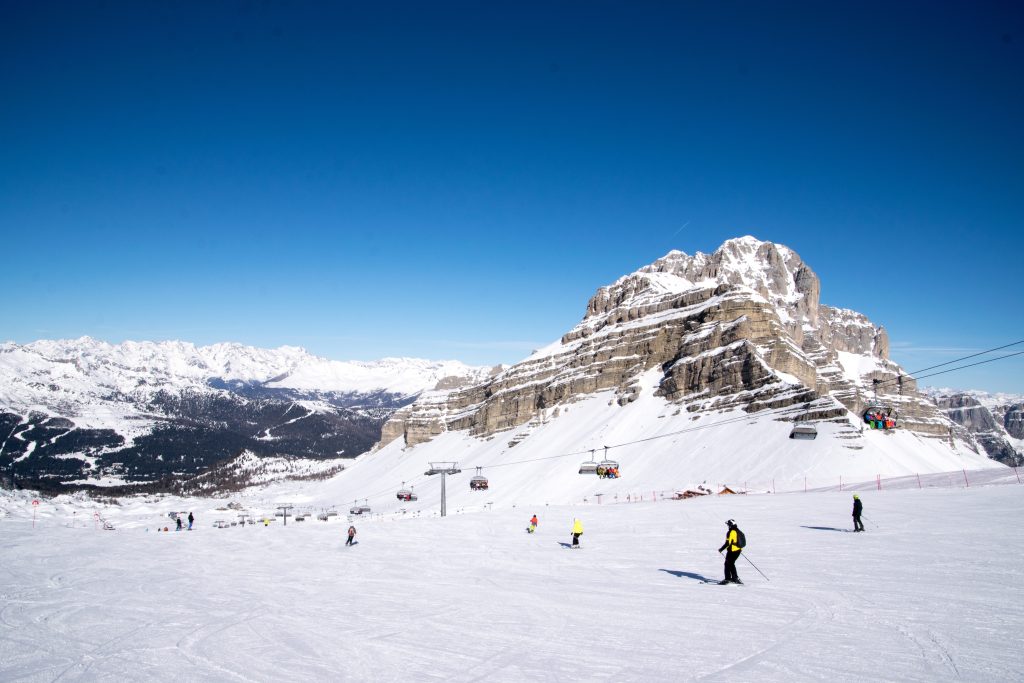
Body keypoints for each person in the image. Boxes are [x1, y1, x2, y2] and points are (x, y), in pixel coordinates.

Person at [717, 519, 743, 584]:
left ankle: (728, 579)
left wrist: (721, 549)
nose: (727, 526)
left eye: (728, 524)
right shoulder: (738, 530)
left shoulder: (730, 532)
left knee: (728, 564)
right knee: (730, 563)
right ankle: (734, 578)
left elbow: (727, 543)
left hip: (732, 551)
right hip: (738, 550)